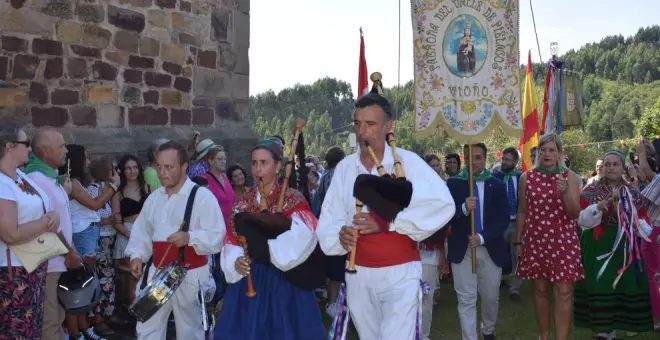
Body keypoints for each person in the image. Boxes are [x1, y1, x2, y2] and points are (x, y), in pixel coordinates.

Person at [316, 76, 455, 340]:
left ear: (388, 126)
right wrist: (340, 235)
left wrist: (390, 223)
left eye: (370, 124)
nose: (362, 132)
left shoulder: (409, 163)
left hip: (400, 271)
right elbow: (329, 219)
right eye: (357, 124)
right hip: (358, 273)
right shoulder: (345, 168)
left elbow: (443, 206)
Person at [215, 139, 325, 340]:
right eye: (254, 163)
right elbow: (231, 240)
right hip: (249, 281)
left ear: (277, 166)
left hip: (286, 281)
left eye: (264, 163)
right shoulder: (242, 203)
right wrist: (236, 261)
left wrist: (265, 249)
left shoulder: (293, 198)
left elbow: (303, 238)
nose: (258, 169)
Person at [126, 141, 225, 340]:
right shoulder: (154, 199)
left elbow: (217, 235)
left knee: (191, 331)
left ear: (183, 167)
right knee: (147, 328)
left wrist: (190, 237)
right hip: (157, 275)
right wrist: (137, 256)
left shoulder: (202, 197)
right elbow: (141, 233)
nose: (162, 172)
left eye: (169, 167)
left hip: (191, 275)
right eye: (159, 166)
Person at [575, 151, 654, 339]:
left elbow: (645, 224)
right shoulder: (590, 191)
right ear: (602, 168)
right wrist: (599, 207)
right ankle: (603, 332)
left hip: (624, 250)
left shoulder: (633, 192)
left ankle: (616, 329)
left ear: (622, 167)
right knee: (600, 285)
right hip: (597, 247)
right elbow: (582, 221)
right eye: (608, 164)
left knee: (621, 286)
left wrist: (632, 218)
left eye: (615, 164)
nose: (611, 168)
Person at [516, 134, 584, 340]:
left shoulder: (569, 176)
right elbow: (522, 211)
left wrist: (565, 193)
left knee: (564, 292)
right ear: (538, 153)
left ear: (560, 153)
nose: (547, 154)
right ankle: (544, 336)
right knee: (541, 290)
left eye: (552, 150)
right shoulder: (526, 178)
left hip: (563, 241)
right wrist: (518, 241)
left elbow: (574, 213)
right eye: (543, 150)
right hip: (536, 240)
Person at [0, 126, 58, 339]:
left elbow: (45, 207)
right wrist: (45, 223)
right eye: (26, 144)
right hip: (12, 272)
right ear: (9, 147)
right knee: (15, 329)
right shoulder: (1, 183)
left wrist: (54, 216)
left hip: (33, 264)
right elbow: (9, 234)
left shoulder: (22, 177)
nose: (30, 148)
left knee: (31, 328)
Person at [446, 143, 509, 340]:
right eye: (469, 157)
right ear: (464, 158)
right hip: (462, 249)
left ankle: (488, 330)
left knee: (491, 296)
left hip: (490, 248)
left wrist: (482, 237)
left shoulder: (497, 184)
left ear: (485, 158)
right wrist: (463, 208)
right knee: (466, 298)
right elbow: (446, 215)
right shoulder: (454, 184)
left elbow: (503, 219)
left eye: (478, 157)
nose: (474, 162)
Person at [26, 128, 82, 340]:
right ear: (45, 152)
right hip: (48, 263)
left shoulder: (51, 179)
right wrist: (69, 253)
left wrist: (72, 251)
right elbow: (49, 225)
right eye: (61, 146)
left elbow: (64, 221)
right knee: (49, 323)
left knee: (57, 319)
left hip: (60, 260)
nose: (66, 150)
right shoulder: (35, 179)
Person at [60, 144, 119, 340]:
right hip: (82, 234)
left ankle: (84, 329)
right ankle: (76, 333)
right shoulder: (73, 183)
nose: (88, 162)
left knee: (85, 285)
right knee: (79, 286)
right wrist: (114, 186)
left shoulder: (77, 182)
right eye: (86, 158)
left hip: (86, 233)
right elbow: (96, 205)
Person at [111, 154, 151, 304]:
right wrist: (130, 234)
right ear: (122, 171)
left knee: (148, 275)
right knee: (133, 276)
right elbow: (116, 220)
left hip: (146, 233)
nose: (132, 171)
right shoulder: (118, 194)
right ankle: (134, 312)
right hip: (127, 233)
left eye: (134, 167)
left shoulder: (148, 189)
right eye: (128, 168)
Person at [316, 146, 346, 317]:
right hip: (337, 225)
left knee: (329, 265)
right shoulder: (338, 177)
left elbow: (319, 199)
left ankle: (330, 299)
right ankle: (333, 303)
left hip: (326, 224)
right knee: (336, 267)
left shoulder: (325, 177)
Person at [491, 146, 523, 302]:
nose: (504, 162)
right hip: (501, 222)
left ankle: (514, 289)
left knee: (518, 255)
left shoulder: (521, 177)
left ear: (515, 162)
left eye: (508, 160)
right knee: (498, 254)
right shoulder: (495, 177)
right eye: (503, 159)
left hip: (517, 222)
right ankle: (497, 282)